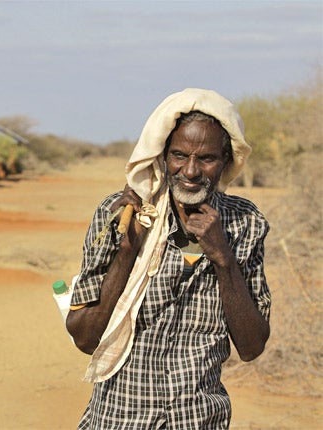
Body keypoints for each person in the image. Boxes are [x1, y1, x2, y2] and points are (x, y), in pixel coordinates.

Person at [65, 88, 271, 429]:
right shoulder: (122, 215)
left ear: (226, 161)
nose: (190, 171)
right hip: (119, 418)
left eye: (206, 158)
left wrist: (223, 258)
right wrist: (127, 254)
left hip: (199, 420)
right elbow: (85, 339)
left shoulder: (244, 224)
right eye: (179, 155)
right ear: (162, 156)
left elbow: (251, 347)